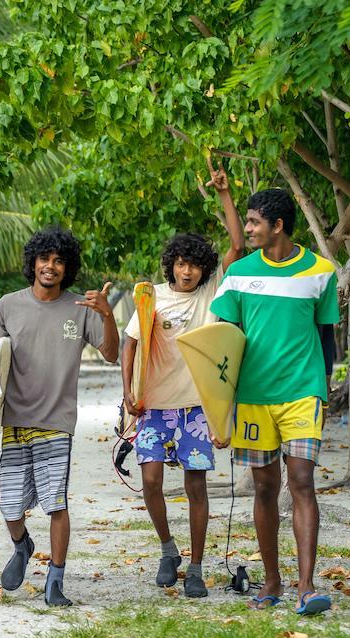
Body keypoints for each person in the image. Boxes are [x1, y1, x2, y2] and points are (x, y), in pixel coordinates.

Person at [0, 227, 119, 606]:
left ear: (66, 267)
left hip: (57, 421)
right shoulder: (8, 305)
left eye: (58, 260)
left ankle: (55, 580)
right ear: (33, 262)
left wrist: (108, 317)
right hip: (14, 421)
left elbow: (110, 353)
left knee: (56, 502)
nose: (50, 266)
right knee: (9, 505)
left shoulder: (80, 308)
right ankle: (22, 546)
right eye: (44, 259)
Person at [210, 187, 338, 615]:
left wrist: (326, 385)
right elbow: (222, 345)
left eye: (253, 222)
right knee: (265, 487)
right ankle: (272, 580)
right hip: (254, 396)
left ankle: (306, 586)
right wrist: (219, 408)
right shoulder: (239, 274)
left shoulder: (321, 271)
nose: (247, 229)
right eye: (246, 222)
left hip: (303, 392)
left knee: (301, 480)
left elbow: (327, 337)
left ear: (277, 226)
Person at [121, 161, 244, 597]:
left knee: (196, 485)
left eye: (194, 265)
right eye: (180, 264)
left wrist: (224, 194)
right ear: (170, 265)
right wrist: (129, 395)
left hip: (196, 407)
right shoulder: (151, 297)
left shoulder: (213, 292)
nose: (187, 271)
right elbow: (130, 346)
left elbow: (236, 243)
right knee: (150, 480)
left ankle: (194, 566)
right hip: (154, 405)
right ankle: (167, 548)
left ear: (203, 269)